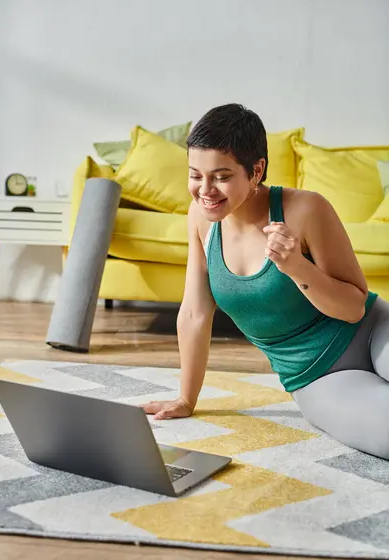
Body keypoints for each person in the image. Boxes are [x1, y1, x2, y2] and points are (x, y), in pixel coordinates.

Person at [143, 103, 389, 459]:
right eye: (196, 175)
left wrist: (297, 268)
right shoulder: (200, 219)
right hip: (315, 377)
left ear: (255, 170)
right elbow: (196, 313)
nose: (205, 190)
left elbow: (353, 309)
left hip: (373, 332)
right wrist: (186, 398)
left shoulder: (306, 209)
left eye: (221, 176)